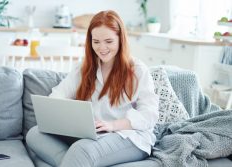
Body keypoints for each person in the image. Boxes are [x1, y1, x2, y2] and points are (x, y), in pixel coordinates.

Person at [27, 10, 159, 167]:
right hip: (93, 135)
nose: (102, 48)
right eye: (96, 42)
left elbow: (149, 115)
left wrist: (113, 125)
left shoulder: (137, 70)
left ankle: (80, 159)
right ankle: (78, 162)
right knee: (35, 133)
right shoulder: (84, 69)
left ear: (121, 40)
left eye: (109, 41)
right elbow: (57, 96)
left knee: (81, 150)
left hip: (128, 136)